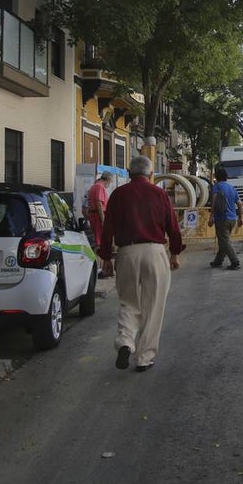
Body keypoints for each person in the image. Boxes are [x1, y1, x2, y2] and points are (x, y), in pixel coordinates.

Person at [99, 156, 184, 372]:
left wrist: (106, 257)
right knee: (153, 305)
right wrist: (174, 253)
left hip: (126, 253)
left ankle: (125, 342)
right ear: (150, 174)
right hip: (155, 252)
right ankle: (144, 357)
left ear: (129, 173)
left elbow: (107, 228)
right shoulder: (160, 194)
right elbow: (172, 226)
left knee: (129, 302)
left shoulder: (118, 195)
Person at [208, 167, 243, 270]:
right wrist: (240, 218)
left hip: (222, 218)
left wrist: (211, 216)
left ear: (216, 177)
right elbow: (240, 204)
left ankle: (234, 261)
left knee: (224, 241)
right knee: (223, 240)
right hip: (233, 218)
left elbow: (214, 201)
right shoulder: (232, 188)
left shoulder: (217, 187)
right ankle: (218, 261)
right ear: (226, 177)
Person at [86, 170, 114, 278]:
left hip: (94, 216)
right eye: (110, 181)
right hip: (98, 217)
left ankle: (98, 268)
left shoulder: (94, 186)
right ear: (107, 179)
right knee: (99, 244)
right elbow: (99, 204)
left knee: (98, 243)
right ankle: (98, 269)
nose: (109, 184)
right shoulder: (99, 187)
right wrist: (103, 221)